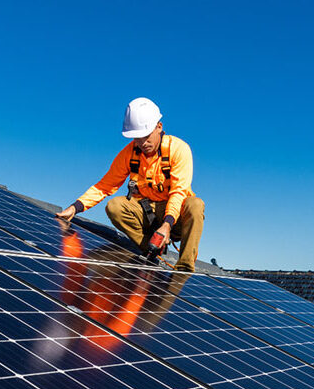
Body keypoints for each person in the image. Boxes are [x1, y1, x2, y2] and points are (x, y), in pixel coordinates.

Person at [56, 97, 205, 272]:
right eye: (137, 138)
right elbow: (105, 185)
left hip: (175, 217)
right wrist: (75, 208)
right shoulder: (130, 153)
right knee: (115, 206)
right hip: (146, 213)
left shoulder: (179, 149)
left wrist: (167, 224)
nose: (142, 143)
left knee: (195, 205)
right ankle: (151, 250)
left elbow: (179, 192)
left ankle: (184, 268)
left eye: (146, 136)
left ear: (159, 127)